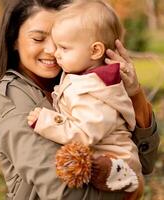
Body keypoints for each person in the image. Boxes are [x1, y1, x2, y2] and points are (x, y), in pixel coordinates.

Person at [0, 0, 160, 199]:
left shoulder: (79, 79)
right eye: (38, 39)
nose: (53, 50)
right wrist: (130, 189)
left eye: (60, 40)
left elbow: (145, 162)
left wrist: (134, 94)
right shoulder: (14, 98)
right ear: (13, 40)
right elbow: (64, 193)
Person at [26, 1, 143, 198]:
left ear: (95, 51)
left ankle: (123, 177)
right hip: (103, 156)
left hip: (116, 159)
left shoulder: (92, 90)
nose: (55, 53)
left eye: (64, 48)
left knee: (103, 169)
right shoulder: (85, 77)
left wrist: (46, 121)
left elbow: (84, 134)